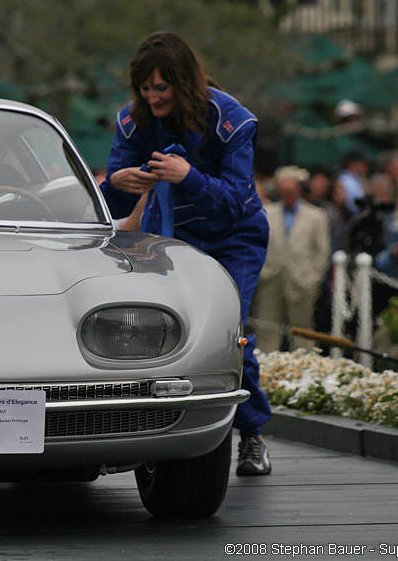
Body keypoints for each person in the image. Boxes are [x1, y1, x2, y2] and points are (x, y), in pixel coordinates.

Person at [99, 31, 272, 476]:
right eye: (145, 87)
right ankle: (153, 432)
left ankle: (251, 435)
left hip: (234, 236)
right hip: (169, 240)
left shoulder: (230, 119)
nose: (152, 96)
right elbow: (113, 208)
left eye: (162, 87)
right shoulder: (132, 122)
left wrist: (187, 175)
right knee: (157, 331)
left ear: (184, 82)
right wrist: (114, 185)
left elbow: (236, 200)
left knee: (226, 334)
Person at [252, 166, 330, 352]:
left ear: (299, 190)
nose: (287, 194)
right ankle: (265, 365)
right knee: (266, 328)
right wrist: (262, 271)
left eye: (291, 191)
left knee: (302, 330)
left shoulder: (316, 216)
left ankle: (305, 365)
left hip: (301, 280)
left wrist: (313, 278)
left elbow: (323, 250)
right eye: (284, 191)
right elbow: (256, 243)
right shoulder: (266, 212)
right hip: (271, 278)